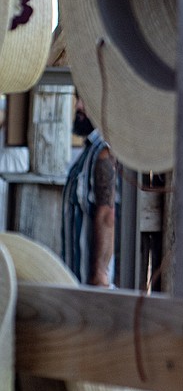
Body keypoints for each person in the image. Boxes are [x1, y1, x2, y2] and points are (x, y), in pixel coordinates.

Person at [61, 97, 118, 287]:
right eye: (78, 98)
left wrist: (100, 274)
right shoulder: (88, 152)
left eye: (85, 98)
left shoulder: (103, 153)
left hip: (91, 286)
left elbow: (107, 216)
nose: (78, 106)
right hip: (76, 282)